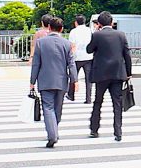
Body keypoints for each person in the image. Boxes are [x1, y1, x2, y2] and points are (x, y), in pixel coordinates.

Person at [29, 17, 77, 148]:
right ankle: (54, 131)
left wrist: (32, 82)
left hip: (45, 81)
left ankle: (52, 135)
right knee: (58, 108)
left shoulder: (40, 43)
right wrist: (75, 80)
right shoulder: (67, 44)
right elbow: (71, 64)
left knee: (48, 108)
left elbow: (36, 64)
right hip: (62, 81)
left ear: (49, 28)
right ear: (61, 29)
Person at [87, 11, 132, 142]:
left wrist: (95, 33)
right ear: (112, 22)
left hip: (101, 73)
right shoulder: (121, 35)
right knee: (117, 103)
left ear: (99, 24)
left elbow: (89, 50)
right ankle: (118, 132)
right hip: (117, 73)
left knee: (98, 101)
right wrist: (128, 73)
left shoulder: (97, 35)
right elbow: (127, 55)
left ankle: (94, 129)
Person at [67, 14, 93, 103]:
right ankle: (88, 98)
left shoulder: (73, 32)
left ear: (76, 22)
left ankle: (71, 95)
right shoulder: (89, 30)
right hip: (88, 57)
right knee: (88, 79)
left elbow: (72, 45)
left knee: (73, 77)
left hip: (76, 57)